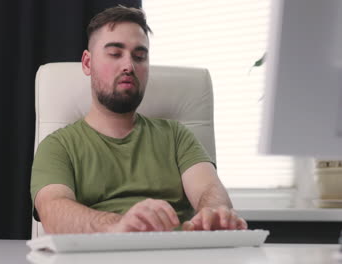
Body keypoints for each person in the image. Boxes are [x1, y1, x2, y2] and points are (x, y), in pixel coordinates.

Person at [31, 5, 247, 234]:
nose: (129, 66)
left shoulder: (176, 135)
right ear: (87, 63)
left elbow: (209, 189)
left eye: (140, 56)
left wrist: (212, 213)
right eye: (115, 54)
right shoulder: (58, 146)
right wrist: (120, 225)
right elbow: (53, 210)